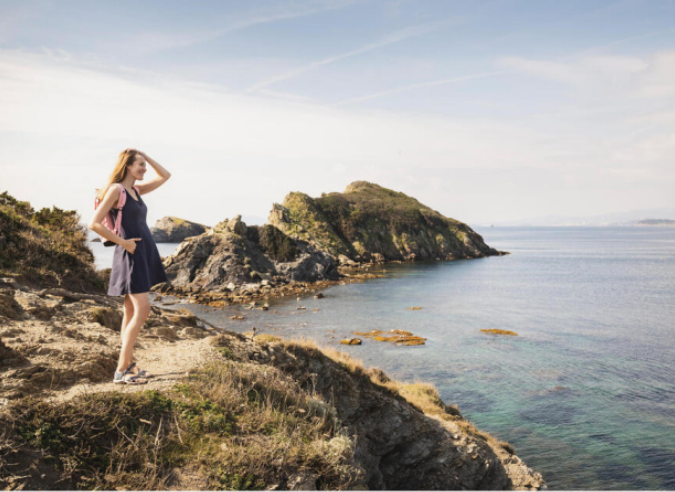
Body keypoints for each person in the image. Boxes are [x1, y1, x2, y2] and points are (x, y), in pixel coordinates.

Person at [89, 148, 171, 384]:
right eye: (140, 165)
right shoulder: (116, 190)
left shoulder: (135, 190)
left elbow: (165, 175)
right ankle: (122, 370)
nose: (144, 169)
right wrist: (123, 242)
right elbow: (94, 223)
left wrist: (146, 154)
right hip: (130, 253)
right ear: (127, 166)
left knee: (131, 311)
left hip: (142, 251)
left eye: (145, 165)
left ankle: (127, 366)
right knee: (143, 309)